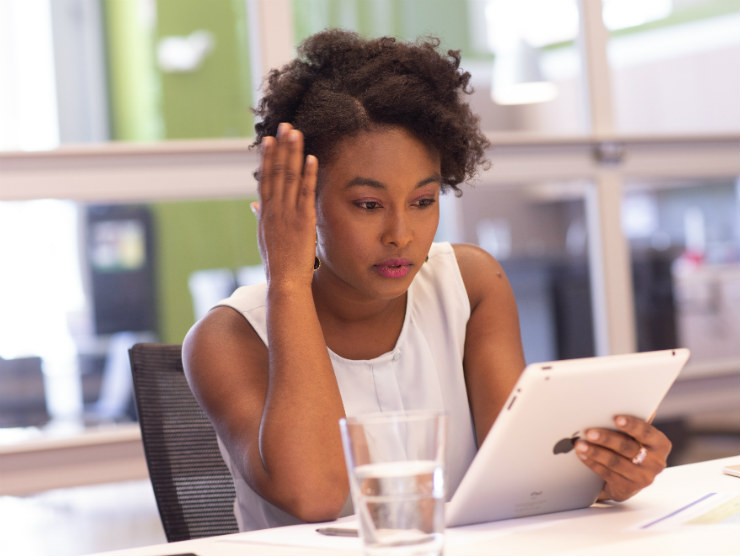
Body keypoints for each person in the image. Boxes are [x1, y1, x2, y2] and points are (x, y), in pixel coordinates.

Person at [182, 29, 672, 531]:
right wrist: (286, 279)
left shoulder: (471, 285)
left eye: (423, 201)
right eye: (368, 205)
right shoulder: (227, 339)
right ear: (303, 204)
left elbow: (525, 478)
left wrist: (605, 474)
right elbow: (317, 495)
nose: (401, 235)